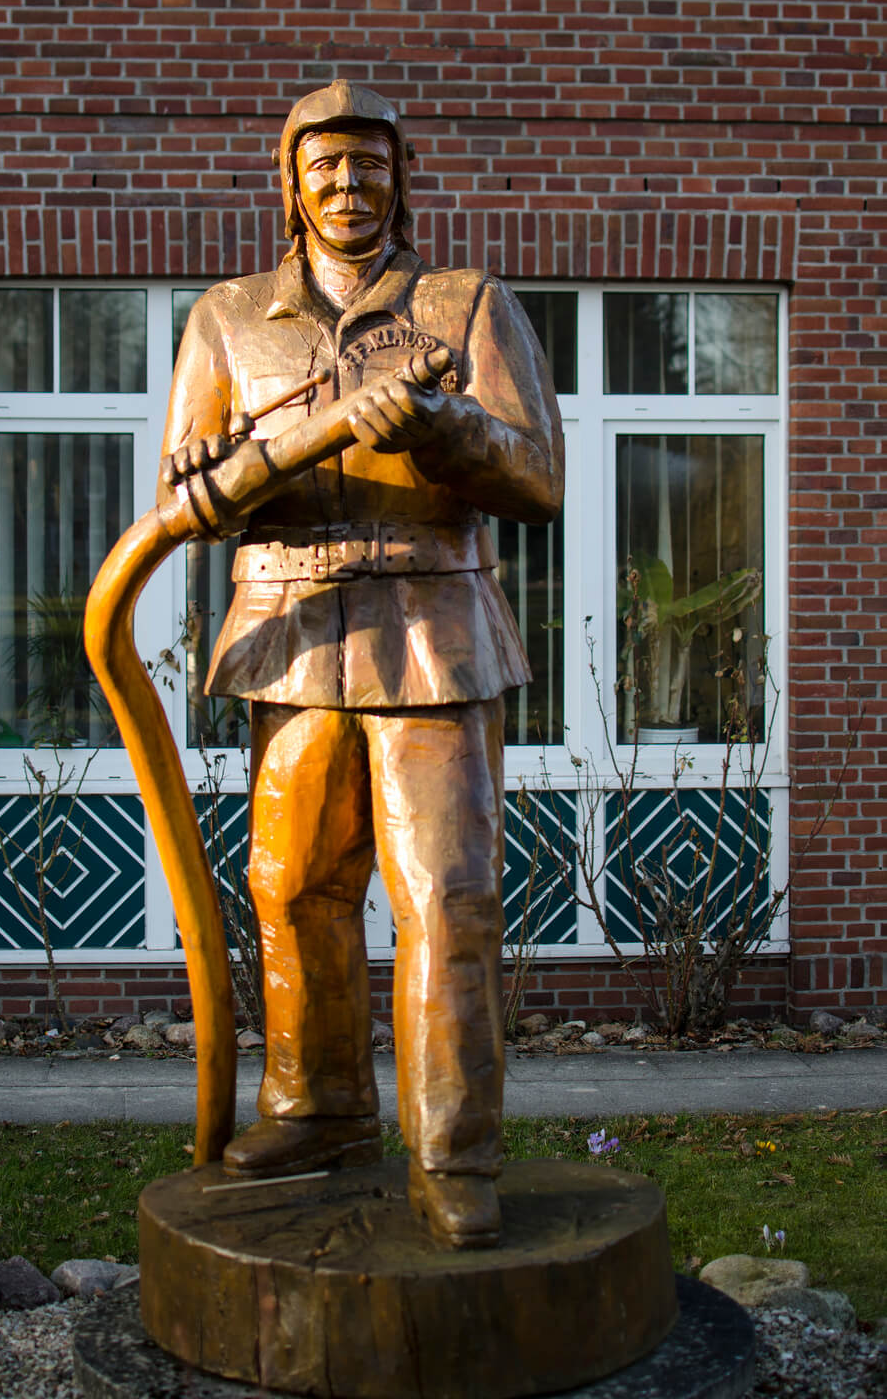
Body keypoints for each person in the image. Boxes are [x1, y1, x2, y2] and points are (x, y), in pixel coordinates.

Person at [158, 80, 563, 1248]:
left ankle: (451, 1152)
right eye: (324, 165)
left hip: (431, 628)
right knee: (291, 886)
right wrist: (217, 467)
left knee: (444, 896)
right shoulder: (228, 318)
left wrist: (443, 431)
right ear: (288, 182)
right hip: (292, 631)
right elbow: (186, 501)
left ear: (401, 176)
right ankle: (319, 1106)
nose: (347, 185)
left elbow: (537, 478)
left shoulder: (462, 302)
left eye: (369, 164)